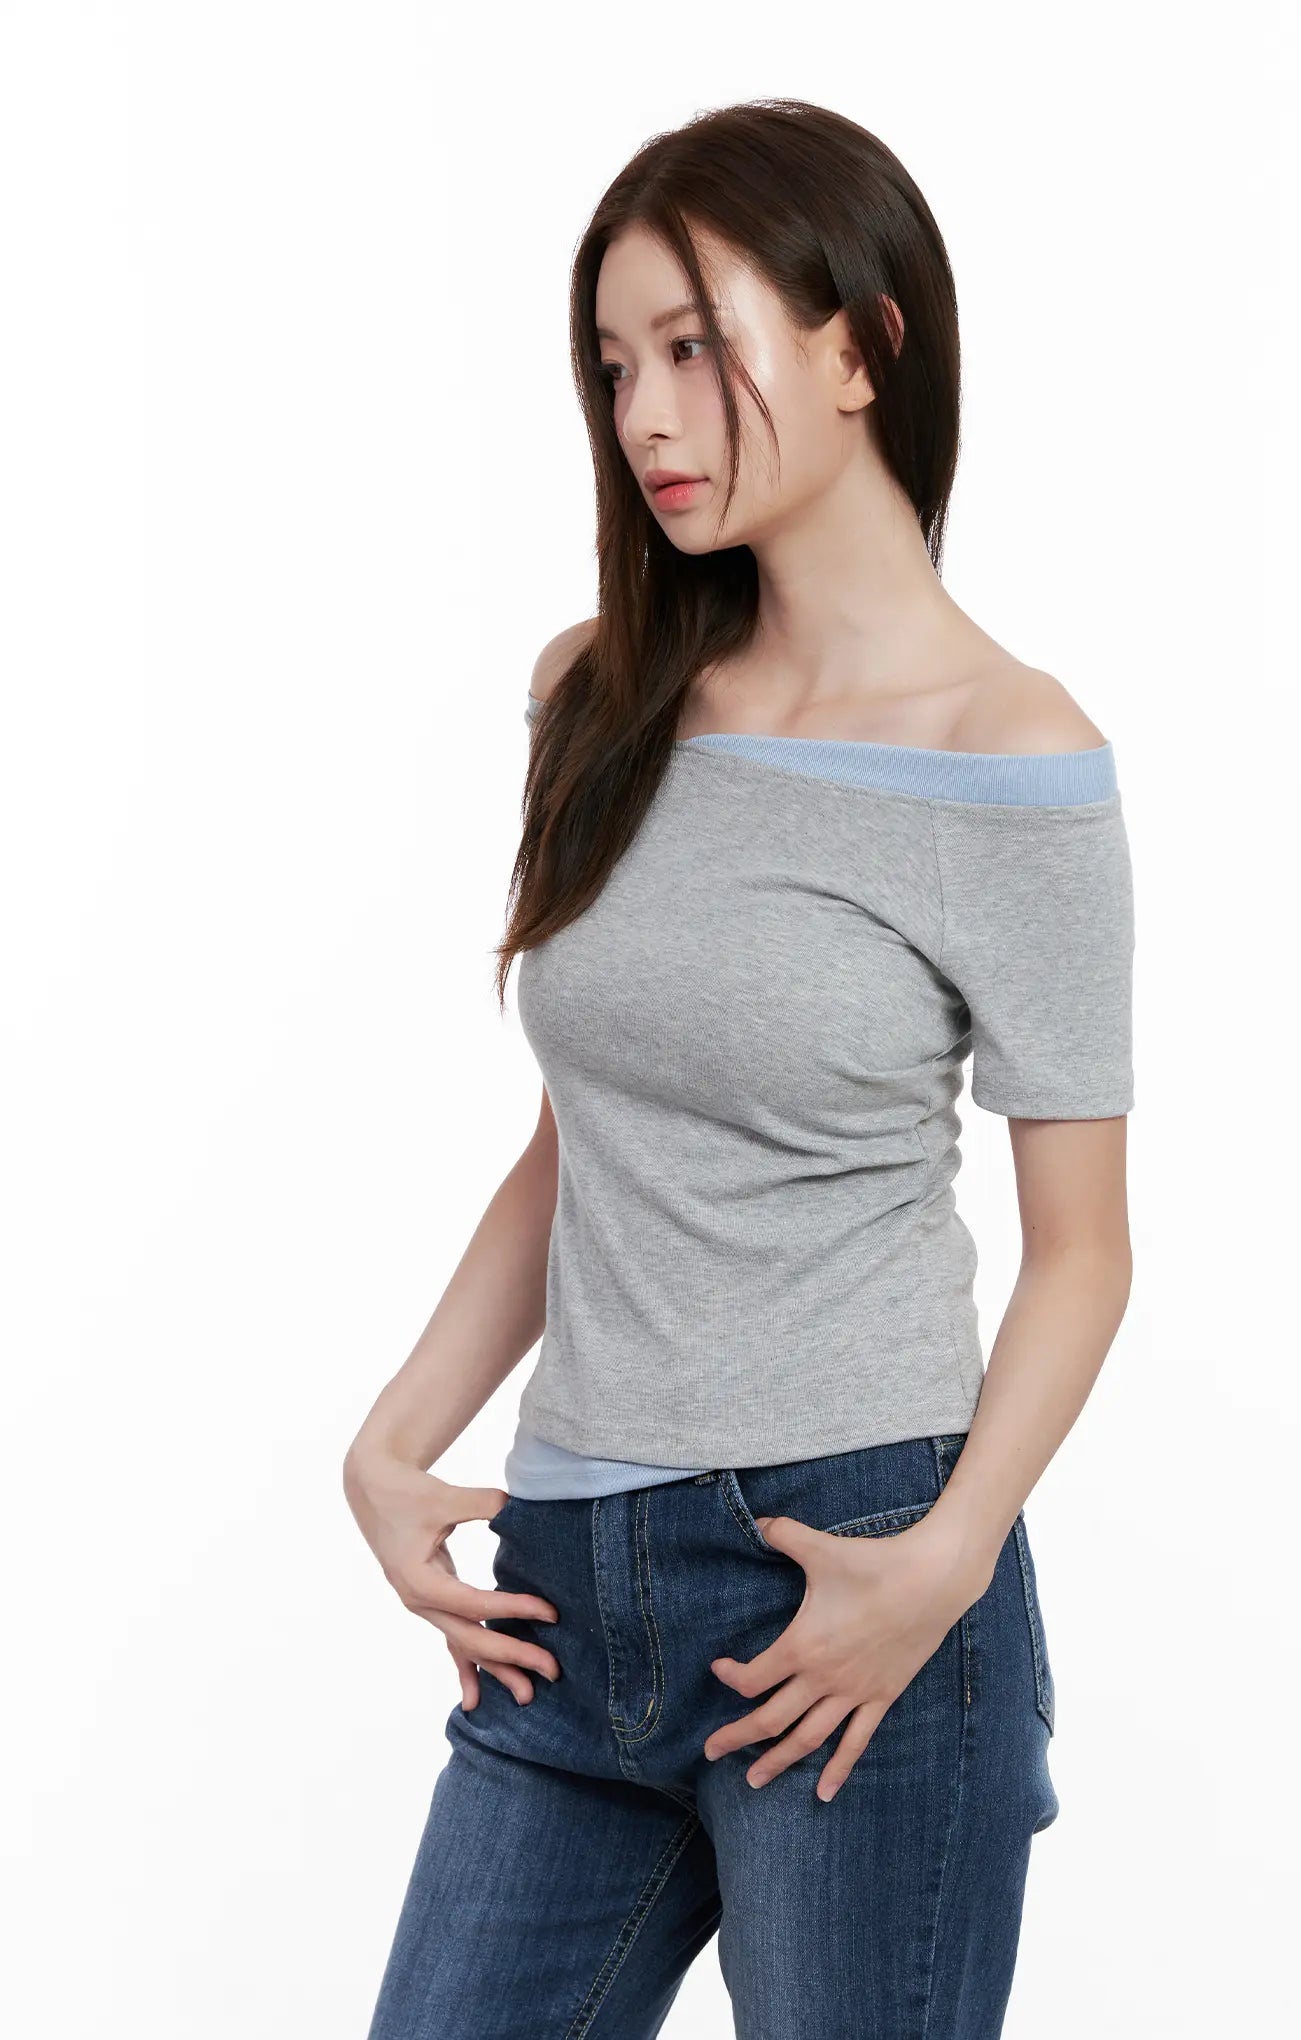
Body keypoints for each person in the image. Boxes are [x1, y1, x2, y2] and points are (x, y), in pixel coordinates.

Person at [346, 96, 1136, 2040]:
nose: (648, 417)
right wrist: (395, 1439)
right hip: (563, 1584)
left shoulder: (1008, 753)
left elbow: (1086, 1250)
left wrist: (942, 1565)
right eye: (616, 365)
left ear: (864, 347)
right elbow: (581, 1145)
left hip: (853, 1579)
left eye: (697, 348)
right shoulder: (598, 695)